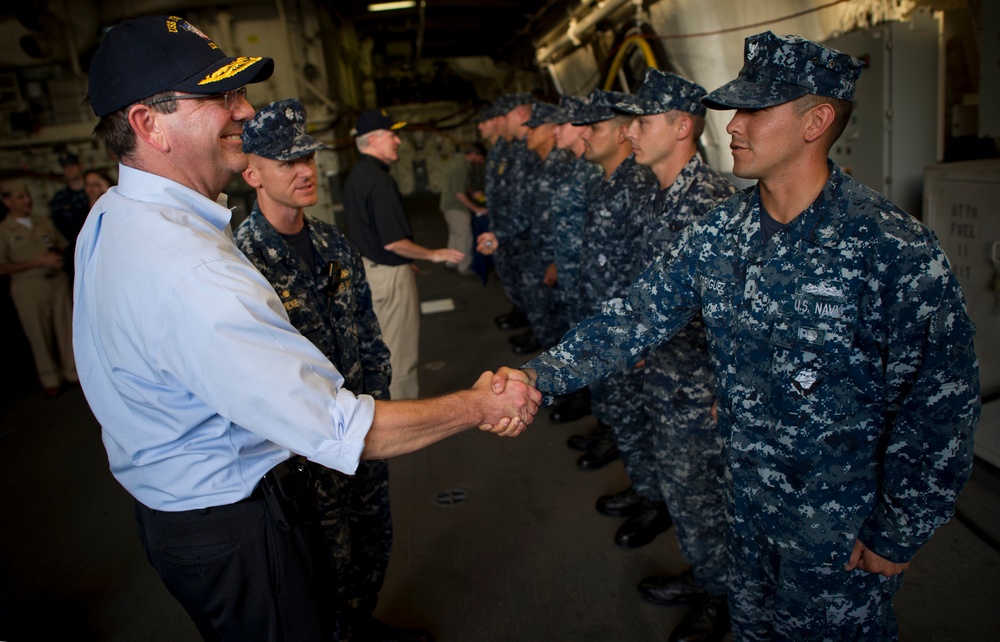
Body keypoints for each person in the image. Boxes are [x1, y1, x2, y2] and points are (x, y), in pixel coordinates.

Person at [500, 31, 979, 641]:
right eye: (734, 108)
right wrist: (540, 374)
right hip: (745, 512)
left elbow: (940, 406)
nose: (732, 124)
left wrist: (899, 530)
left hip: (836, 532)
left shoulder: (892, 248)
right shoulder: (721, 233)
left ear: (817, 121)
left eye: (755, 109)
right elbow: (636, 314)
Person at [74, 16, 539, 642]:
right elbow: (337, 429)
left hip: (183, 514)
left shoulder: (114, 215)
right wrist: (479, 405)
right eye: (220, 97)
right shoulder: (193, 268)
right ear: (146, 123)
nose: (245, 111)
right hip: (236, 522)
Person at [236, 98, 430, 642]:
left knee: (372, 540)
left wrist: (379, 404)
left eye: (308, 159)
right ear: (252, 173)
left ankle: (359, 624)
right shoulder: (242, 263)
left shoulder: (332, 243)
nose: (305, 171)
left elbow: (371, 338)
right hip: (301, 451)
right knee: (319, 563)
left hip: (361, 432)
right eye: (287, 163)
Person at [609, 69, 737, 642]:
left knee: (710, 499)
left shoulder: (708, 202)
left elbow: (737, 316)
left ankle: (728, 603)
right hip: (666, 380)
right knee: (688, 497)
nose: (631, 132)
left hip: (701, 394)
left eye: (644, 120)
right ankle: (708, 575)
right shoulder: (657, 194)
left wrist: (725, 394)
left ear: (683, 125)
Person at [342, 108, 465, 400]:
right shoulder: (380, 181)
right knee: (400, 355)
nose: (397, 141)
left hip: (372, 271)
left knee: (383, 347)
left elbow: (370, 234)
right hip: (389, 276)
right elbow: (394, 242)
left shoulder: (357, 176)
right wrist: (433, 254)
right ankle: (405, 418)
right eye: (391, 135)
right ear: (372, 141)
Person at [0, 179, 77, 397]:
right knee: (38, 333)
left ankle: (73, 372)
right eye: (20, 197)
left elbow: (62, 244)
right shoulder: (4, 230)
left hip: (56, 281)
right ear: (7, 202)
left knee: (66, 328)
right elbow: (2, 267)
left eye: (27, 196)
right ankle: (49, 376)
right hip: (28, 286)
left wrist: (57, 257)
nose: (27, 201)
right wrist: (36, 262)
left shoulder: (42, 221)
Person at [438, 142, 483, 276]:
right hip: (455, 206)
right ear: (474, 154)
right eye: (481, 158)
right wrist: (476, 209)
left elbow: (460, 185)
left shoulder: (459, 162)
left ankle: (451, 262)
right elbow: (459, 193)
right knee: (464, 236)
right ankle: (464, 267)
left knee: (455, 236)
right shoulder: (461, 166)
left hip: (448, 204)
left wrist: (472, 192)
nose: (481, 161)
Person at [48, 151, 89, 279]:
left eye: (72, 165)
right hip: (75, 249)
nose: (69, 169)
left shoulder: (93, 191)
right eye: (65, 167)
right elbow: (58, 228)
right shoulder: (60, 199)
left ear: (80, 166)